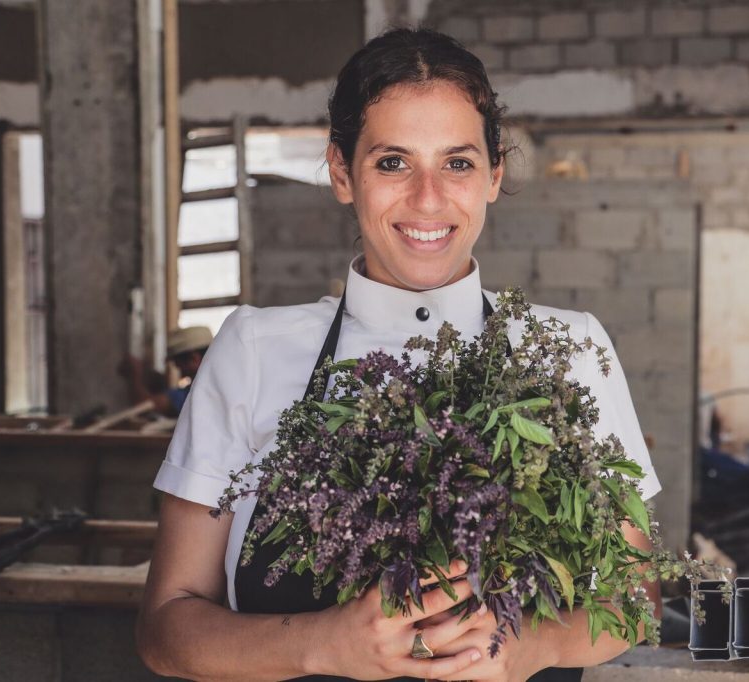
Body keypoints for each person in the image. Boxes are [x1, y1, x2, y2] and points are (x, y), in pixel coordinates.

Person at [136, 28, 663, 681]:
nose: (428, 198)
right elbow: (166, 630)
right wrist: (327, 643)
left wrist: (531, 646)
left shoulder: (572, 351)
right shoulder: (252, 351)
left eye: (458, 162)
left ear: (494, 175)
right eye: (392, 162)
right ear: (341, 173)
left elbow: (634, 600)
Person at [120, 326, 213, 417]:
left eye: (177, 362)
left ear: (194, 358)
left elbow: (143, 406)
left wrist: (134, 374)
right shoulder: (215, 385)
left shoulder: (194, 394)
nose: (176, 367)